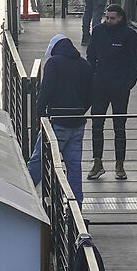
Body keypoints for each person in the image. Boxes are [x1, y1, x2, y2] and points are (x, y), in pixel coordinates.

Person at [27, 34, 91, 201]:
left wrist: (40, 113)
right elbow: (91, 94)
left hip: (57, 122)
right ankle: (76, 205)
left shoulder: (53, 64)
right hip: (77, 123)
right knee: (74, 167)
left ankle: (24, 195)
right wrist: (80, 110)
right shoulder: (84, 64)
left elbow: (46, 90)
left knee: (39, 161)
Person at [84, 3, 137, 182]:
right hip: (99, 86)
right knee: (97, 125)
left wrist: (128, 84)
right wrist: (92, 78)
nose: (108, 21)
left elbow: (136, 62)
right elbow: (90, 55)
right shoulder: (98, 31)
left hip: (120, 88)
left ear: (120, 18)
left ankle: (120, 164)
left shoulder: (129, 35)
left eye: (112, 18)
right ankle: (97, 162)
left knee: (119, 127)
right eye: (107, 17)